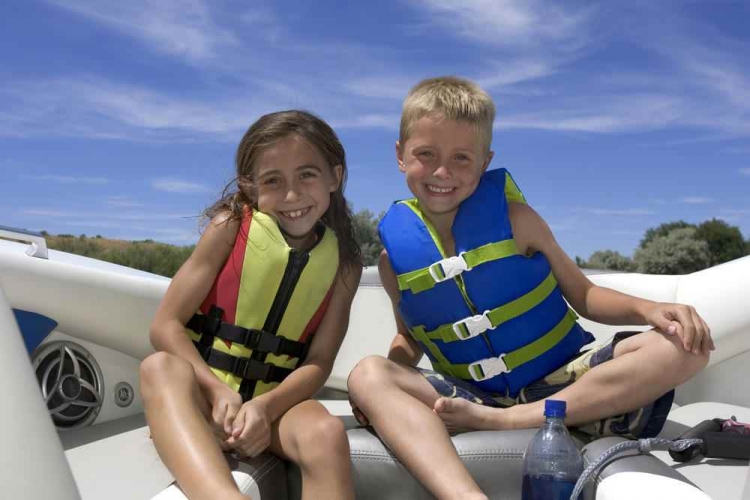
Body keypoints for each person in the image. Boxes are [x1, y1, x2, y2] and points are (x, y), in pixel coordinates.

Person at [347, 76, 713, 500]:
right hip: (469, 396)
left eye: (461, 158)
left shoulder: (518, 219)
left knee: (684, 347)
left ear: (485, 162)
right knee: (366, 374)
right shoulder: (395, 262)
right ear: (400, 155)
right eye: (425, 155)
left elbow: (584, 295)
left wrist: (649, 310)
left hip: (560, 385)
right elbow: (409, 340)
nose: (442, 172)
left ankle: (511, 420)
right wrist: (379, 389)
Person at [141, 110, 362, 500]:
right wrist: (216, 392)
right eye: (273, 180)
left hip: (275, 408)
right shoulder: (228, 226)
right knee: (158, 367)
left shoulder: (345, 264)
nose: (292, 195)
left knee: (326, 434)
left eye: (307, 174)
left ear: (334, 176)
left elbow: (320, 361)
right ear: (250, 186)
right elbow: (165, 325)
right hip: (204, 395)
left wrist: (265, 408)